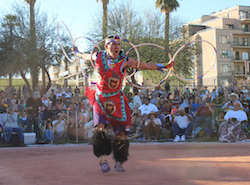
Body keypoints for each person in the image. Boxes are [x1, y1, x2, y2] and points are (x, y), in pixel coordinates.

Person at [73, 35, 174, 173]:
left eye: (118, 45)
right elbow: (85, 56)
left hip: (116, 99)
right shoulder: (98, 56)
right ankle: (102, 160)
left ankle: (119, 162)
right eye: (113, 44)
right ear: (106, 46)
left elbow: (144, 65)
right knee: (99, 128)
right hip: (100, 98)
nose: (116, 47)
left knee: (122, 134)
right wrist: (77, 53)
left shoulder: (124, 60)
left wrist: (163, 66)